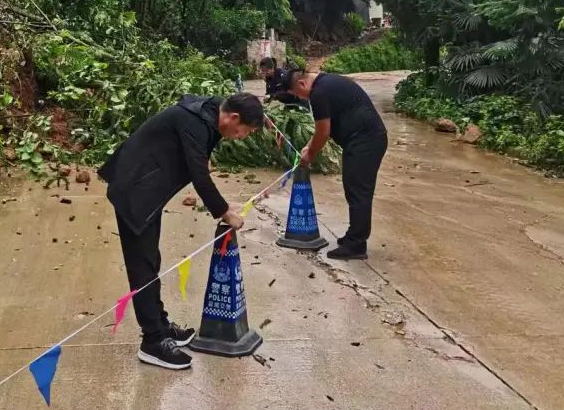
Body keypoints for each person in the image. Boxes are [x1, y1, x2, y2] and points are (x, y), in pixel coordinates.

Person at [99, 92, 263, 370]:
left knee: (151, 260)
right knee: (143, 266)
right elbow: (199, 174)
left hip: (147, 190)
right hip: (135, 192)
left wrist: (225, 204)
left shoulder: (207, 116)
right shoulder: (195, 123)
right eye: (243, 131)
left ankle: (160, 325)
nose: (241, 137)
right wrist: (224, 212)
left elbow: (200, 164)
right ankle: (152, 342)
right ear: (233, 117)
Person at [284, 70, 387, 260]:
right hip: (364, 139)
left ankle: (356, 245)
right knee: (353, 188)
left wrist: (311, 155)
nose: (300, 98)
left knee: (358, 191)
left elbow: (323, 132)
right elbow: (322, 131)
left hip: (366, 141)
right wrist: (308, 147)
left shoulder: (318, 93)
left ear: (302, 84)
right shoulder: (327, 82)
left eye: (297, 94)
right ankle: (353, 236)